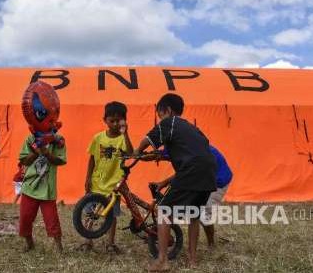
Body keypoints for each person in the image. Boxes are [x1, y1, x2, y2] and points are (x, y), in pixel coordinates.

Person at [134, 94, 216, 271]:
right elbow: (200, 148)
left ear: (167, 111)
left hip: (192, 170)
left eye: (160, 115)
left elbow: (149, 139)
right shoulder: (193, 129)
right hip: (209, 171)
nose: (160, 119)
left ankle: (162, 260)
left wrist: (136, 151)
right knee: (194, 215)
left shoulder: (169, 123)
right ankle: (193, 260)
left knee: (164, 211)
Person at [81, 101, 133, 254]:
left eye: (119, 120)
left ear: (124, 121)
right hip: (97, 183)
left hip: (113, 186)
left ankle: (110, 244)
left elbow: (130, 153)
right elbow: (91, 159)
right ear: (105, 120)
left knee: (111, 216)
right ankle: (87, 240)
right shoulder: (98, 138)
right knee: (90, 212)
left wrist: (126, 133)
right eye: (112, 120)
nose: (116, 123)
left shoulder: (123, 139)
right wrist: (87, 178)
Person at [18, 132, 66, 253]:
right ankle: (29, 243)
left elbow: (60, 160)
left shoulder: (58, 140)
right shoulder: (30, 138)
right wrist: (35, 152)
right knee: (25, 218)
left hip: (48, 188)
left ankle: (59, 247)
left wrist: (47, 154)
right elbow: (25, 161)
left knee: (52, 219)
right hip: (30, 187)